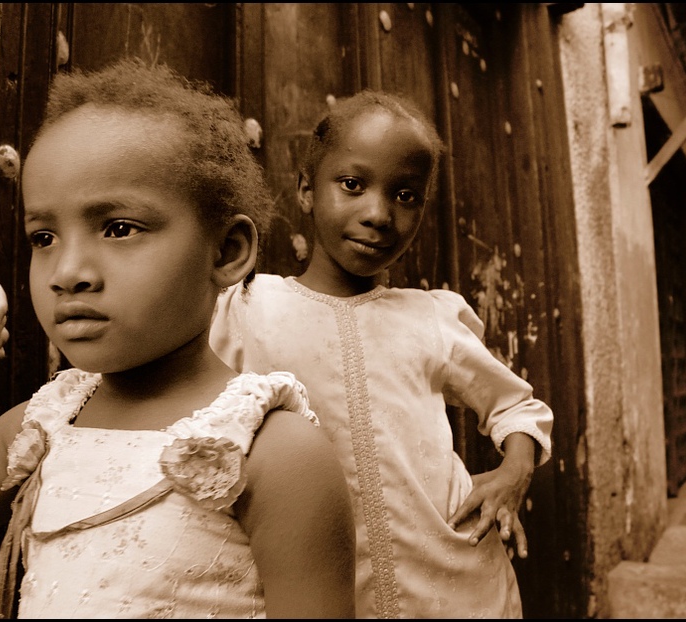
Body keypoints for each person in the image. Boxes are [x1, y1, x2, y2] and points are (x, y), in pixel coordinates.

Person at [0, 58, 356, 620]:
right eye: (44, 236)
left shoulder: (273, 451)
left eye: (118, 228)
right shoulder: (45, 426)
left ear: (226, 252)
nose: (67, 270)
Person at [209, 90, 554, 618]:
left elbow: (516, 408)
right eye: (352, 185)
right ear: (306, 189)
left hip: (457, 585)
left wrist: (514, 473)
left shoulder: (433, 317)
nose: (379, 213)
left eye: (406, 196)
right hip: (314, 589)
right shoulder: (246, 308)